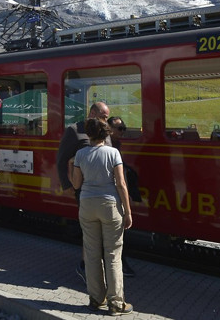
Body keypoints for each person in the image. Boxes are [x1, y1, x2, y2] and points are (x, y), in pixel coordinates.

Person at [71, 117, 134, 316]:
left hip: (87, 204)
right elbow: (121, 184)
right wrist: (128, 211)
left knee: (91, 254)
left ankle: (96, 299)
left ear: (88, 134)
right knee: (113, 255)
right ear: (106, 133)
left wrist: (73, 166)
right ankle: (116, 303)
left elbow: (76, 185)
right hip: (110, 206)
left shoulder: (80, 154)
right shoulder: (113, 152)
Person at [58, 101, 110, 284]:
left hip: (105, 189)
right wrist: (67, 184)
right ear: (93, 113)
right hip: (84, 188)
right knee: (90, 229)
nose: (106, 120)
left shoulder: (104, 130)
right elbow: (62, 158)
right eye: (104, 116)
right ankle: (85, 264)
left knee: (100, 230)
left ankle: (94, 265)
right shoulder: (74, 130)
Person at [108, 116, 138, 278]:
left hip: (111, 195)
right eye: (120, 128)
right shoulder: (108, 147)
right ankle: (118, 267)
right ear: (109, 129)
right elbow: (120, 180)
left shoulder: (116, 144)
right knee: (117, 234)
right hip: (111, 196)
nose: (122, 131)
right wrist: (127, 207)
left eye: (123, 128)